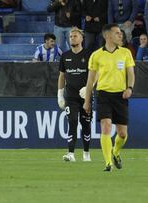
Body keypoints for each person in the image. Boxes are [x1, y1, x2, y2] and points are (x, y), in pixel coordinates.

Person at [83, 23, 135, 171]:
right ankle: (108, 163)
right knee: (105, 128)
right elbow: (90, 81)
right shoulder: (96, 55)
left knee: (122, 134)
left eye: (120, 33)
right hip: (103, 95)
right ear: (108, 36)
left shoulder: (125, 53)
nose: (121, 35)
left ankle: (115, 152)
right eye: (117, 33)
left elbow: (131, 74)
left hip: (121, 95)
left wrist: (130, 88)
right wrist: (87, 101)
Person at [58, 28, 93, 162]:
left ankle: (86, 153)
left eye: (75, 36)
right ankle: (70, 153)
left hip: (86, 96)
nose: (72, 38)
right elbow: (62, 76)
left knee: (85, 124)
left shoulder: (89, 55)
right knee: (72, 121)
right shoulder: (65, 56)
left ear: (82, 38)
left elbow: (95, 75)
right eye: (71, 36)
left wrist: (88, 88)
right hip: (70, 96)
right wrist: (60, 94)